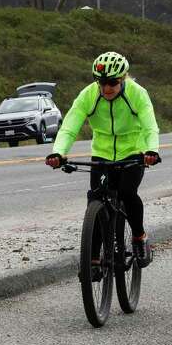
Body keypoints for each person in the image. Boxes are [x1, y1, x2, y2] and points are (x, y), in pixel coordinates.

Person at [48, 52, 160, 270]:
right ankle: (95, 258)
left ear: (124, 78)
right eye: (101, 83)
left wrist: (151, 151)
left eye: (112, 83)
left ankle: (139, 237)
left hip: (133, 152)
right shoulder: (88, 95)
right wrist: (58, 152)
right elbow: (70, 126)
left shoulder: (137, 94)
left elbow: (150, 126)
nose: (107, 88)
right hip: (102, 153)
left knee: (127, 194)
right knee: (96, 199)